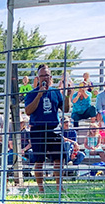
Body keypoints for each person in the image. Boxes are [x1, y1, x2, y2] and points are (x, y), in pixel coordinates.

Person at [24, 64, 73, 193]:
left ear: (50, 77)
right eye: (42, 76)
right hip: (38, 129)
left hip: (53, 128)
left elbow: (66, 109)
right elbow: (28, 111)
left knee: (59, 158)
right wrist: (39, 95)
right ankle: (41, 189)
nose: (45, 78)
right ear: (38, 78)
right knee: (39, 160)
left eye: (47, 75)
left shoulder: (56, 92)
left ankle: (59, 187)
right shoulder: (31, 94)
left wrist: (67, 96)